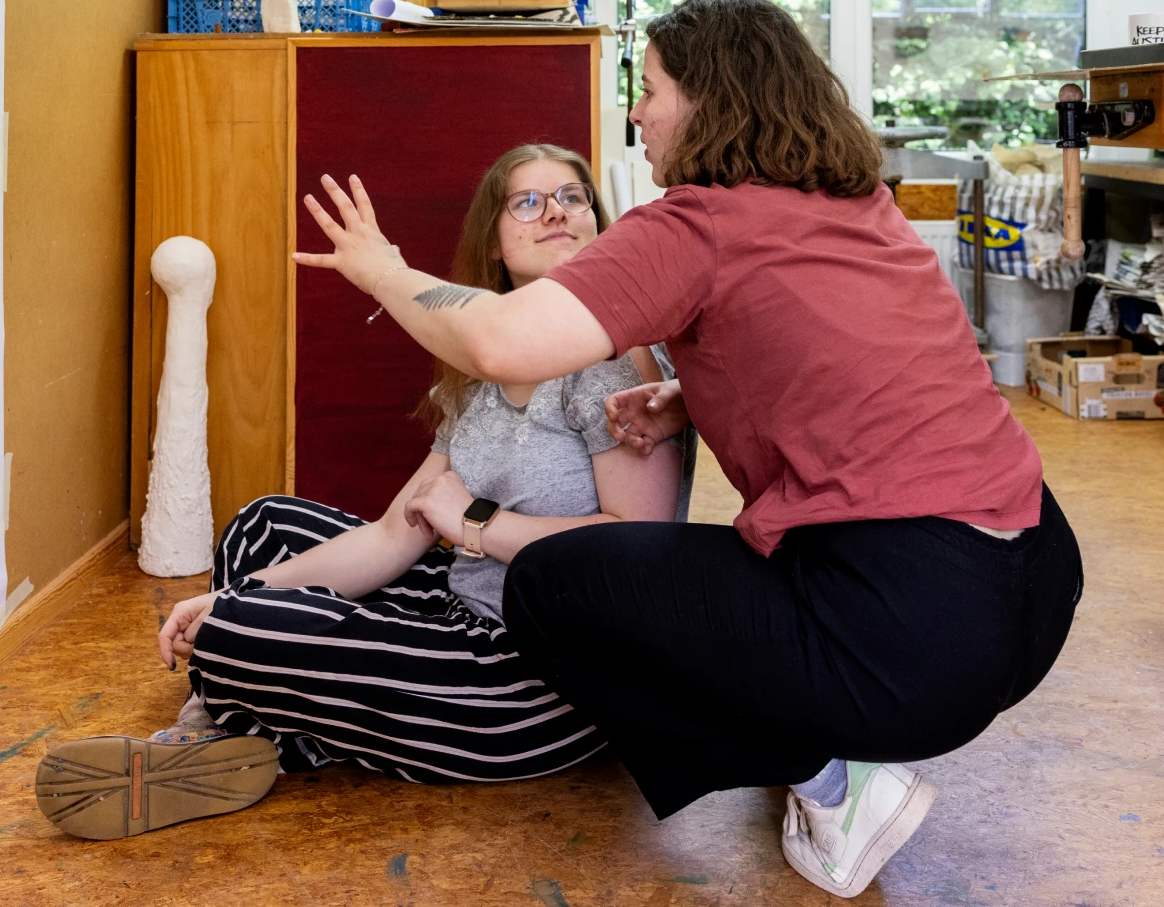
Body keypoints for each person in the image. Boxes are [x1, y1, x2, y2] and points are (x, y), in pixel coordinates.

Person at [287, 0, 1083, 899]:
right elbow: (843, 357)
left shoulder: (698, 222)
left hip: (912, 632)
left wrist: (384, 270)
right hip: (1033, 589)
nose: (636, 110)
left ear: (709, 99)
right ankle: (828, 753)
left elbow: (498, 342)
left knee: (557, 587)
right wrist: (690, 394)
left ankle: (838, 783)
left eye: (652, 86)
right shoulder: (853, 201)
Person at [34, 145, 691, 841]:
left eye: (573, 196)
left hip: (543, 675)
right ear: (494, 244)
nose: (556, 210)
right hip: (457, 609)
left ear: (597, 220)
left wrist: (474, 523)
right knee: (262, 531)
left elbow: (635, 552)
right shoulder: (477, 370)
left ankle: (246, 725)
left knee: (238, 635)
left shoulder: (613, 359)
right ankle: (267, 729)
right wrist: (240, 597)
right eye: (528, 201)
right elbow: (390, 535)